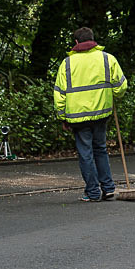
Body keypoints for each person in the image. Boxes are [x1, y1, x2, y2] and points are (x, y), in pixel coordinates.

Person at [54, 27, 127, 202]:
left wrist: (62, 117)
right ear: (93, 40)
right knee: (100, 149)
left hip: (77, 117)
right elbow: (121, 86)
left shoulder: (67, 64)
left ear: (76, 42)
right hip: (101, 113)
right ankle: (108, 188)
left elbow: (59, 94)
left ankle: (93, 192)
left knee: (86, 154)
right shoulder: (107, 59)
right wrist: (114, 94)